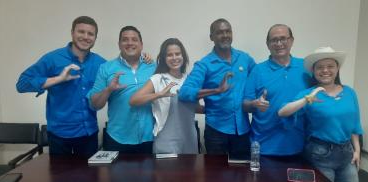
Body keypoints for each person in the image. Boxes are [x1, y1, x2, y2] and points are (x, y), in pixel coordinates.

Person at [278, 46, 362, 182]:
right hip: (320, 154)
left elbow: (355, 123)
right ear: (314, 71)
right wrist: (307, 99)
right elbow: (282, 112)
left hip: (346, 154)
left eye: (330, 66)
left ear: (337, 69)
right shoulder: (309, 94)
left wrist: (357, 150)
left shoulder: (350, 92)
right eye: (320, 67)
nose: (325, 70)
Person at [16, 16, 106, 157]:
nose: (85, 37)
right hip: (59, 136)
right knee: (60, 179)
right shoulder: (52, 58)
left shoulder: (100, 63)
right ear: (72, 33)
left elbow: (121, 75)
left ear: (95, 38)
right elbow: (22, 84)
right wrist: (58, 79)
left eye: (90, 34)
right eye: (81, 32)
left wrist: (145, 60)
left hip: (89, 133)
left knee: (90, 179)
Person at [179, 18, 256, 156]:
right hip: (216, 133)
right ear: (211, 37)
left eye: (228, 31)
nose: (225, 35)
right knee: (215, 176)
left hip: (243, 130)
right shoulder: (204, 64)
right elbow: (184, 92)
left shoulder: (245, 59)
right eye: (220, 32)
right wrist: (216, 90)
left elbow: (258, 79)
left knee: (242, 174)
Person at [243, 24, 312, 156]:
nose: (279, 43)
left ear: (291, 41)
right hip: (263, 147)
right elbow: (245, 105)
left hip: (299, 146)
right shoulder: (258, 70)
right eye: (274, 40)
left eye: (283, 39)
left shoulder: (306, 67)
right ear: (268, 44)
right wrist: (254, 104)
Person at [87, 26, 156, 154]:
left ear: (141, 44)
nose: (130, 43)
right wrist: (108, 89)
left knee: (149, 175)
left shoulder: (153, 66)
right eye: (125, 40)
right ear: (119, 44)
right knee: (119, 175)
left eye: (134, 39)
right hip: (118, 139)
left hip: (150, 137)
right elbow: (94, 105)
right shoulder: (106, 68)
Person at [130, 38, 198, 154]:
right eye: (169, 55)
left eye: (177, 54)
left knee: (190, 172)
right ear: (163, 59)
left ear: (183, 56)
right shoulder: (158, 79)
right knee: (166, 172)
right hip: (166, 140)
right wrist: (159, 94)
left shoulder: (190, 79)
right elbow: (133, 100)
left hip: (190, 138)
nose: (174, 58)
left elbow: (194, 108)